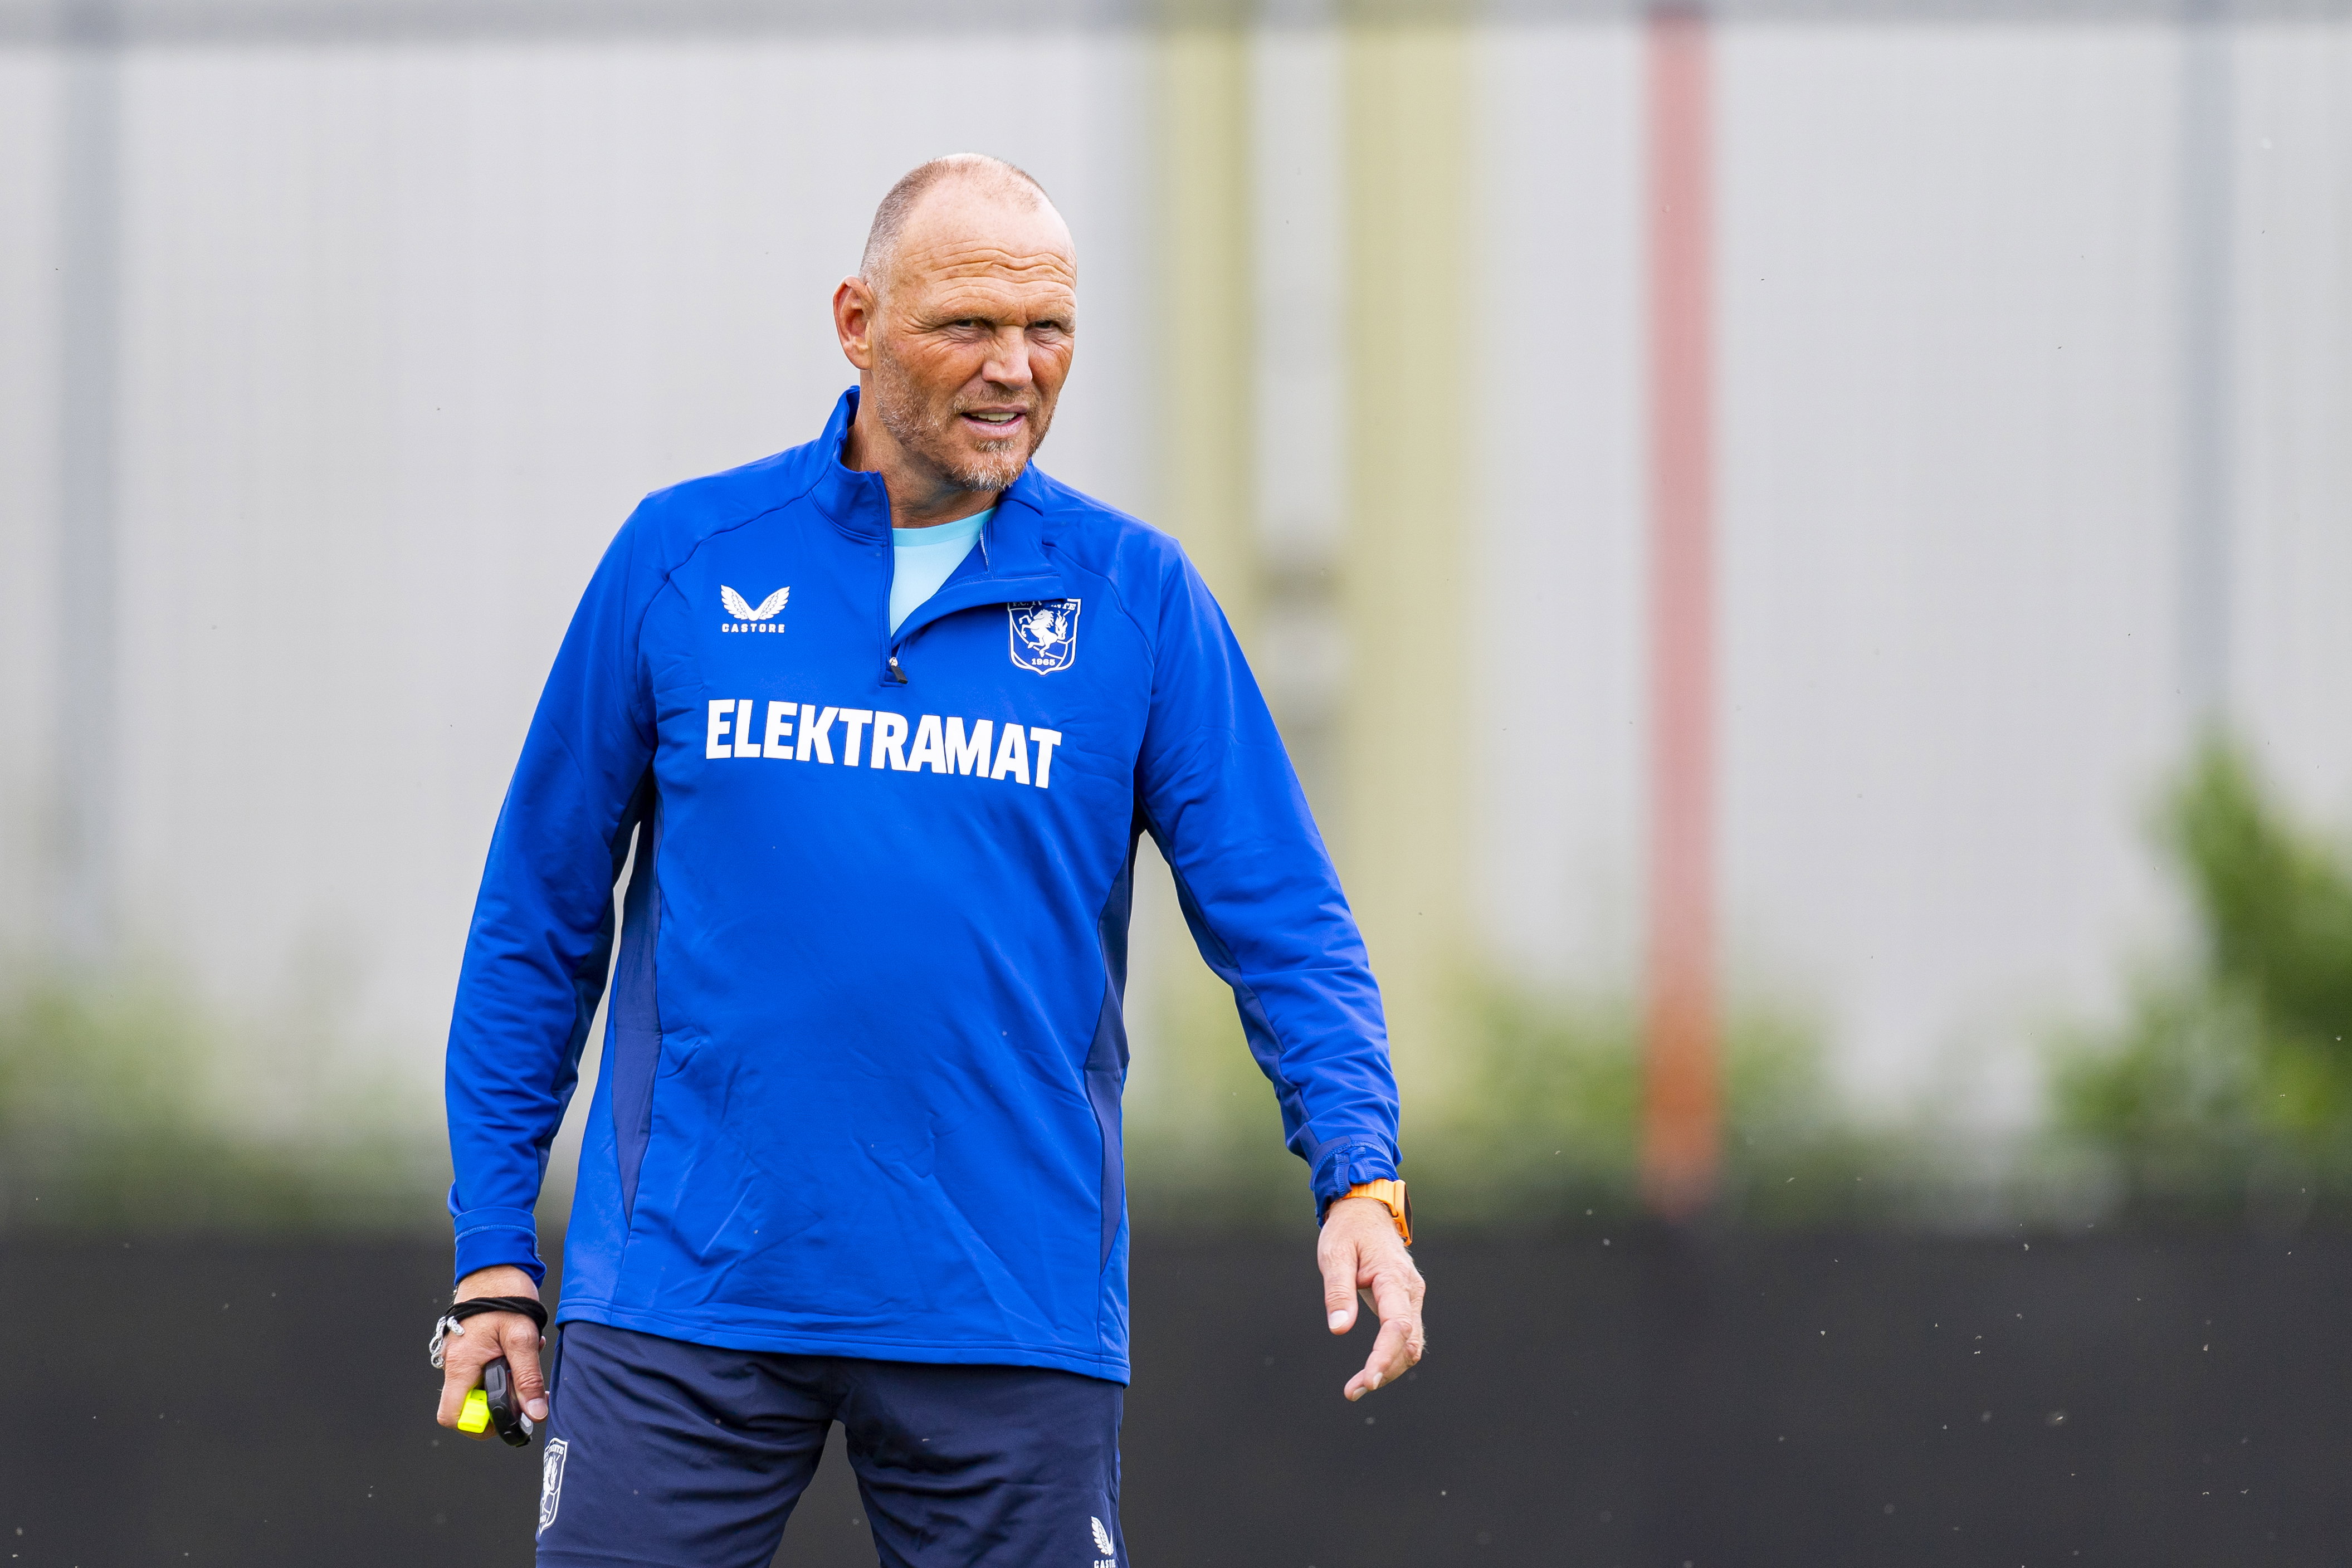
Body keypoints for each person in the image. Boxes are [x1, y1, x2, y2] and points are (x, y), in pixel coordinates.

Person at [433, 152, 1424, 1567]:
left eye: (1051, 330)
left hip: (1002, 1303)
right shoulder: (683, 559)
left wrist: (1358, 1177)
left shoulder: (1135, 600)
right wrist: (492, 1260)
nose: (1014, 368)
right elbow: (535, 919)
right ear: (855, 321)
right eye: (967, 325)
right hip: (684, 1297)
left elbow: (1284, 924)